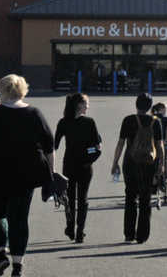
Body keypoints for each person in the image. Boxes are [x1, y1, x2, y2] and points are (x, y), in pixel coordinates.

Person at [0, 74, 55, 277]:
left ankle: (1, 253)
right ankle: (18, 267)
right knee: (19, 219)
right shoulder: (34, 113)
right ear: (23, 90)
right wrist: (50, 175)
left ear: (2, 91)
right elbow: (49, 145)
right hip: (25, 175)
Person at [110, 92, 165, 243]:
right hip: (149, 162)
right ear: (150, 106)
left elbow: (121, 143)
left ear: (136, 104)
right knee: (145, 198)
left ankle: (129, 233)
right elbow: (160, 145)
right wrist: (161, 164)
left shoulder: (128, 120)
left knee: (130, 196)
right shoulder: (156, 121)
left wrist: (115, 163)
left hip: (130, 161)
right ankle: (142, 236)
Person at [54, 93, 101, 243]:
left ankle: (70, 227)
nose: (88, 106)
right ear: (79, 104)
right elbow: (97, 146)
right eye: (86, 103)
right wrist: (90, 158)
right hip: (85, 166)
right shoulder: (89, 122)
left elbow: (54, 145)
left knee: (69, 198)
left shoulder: (63, 122)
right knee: (83, 198)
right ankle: (80, 231)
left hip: (69, 165)